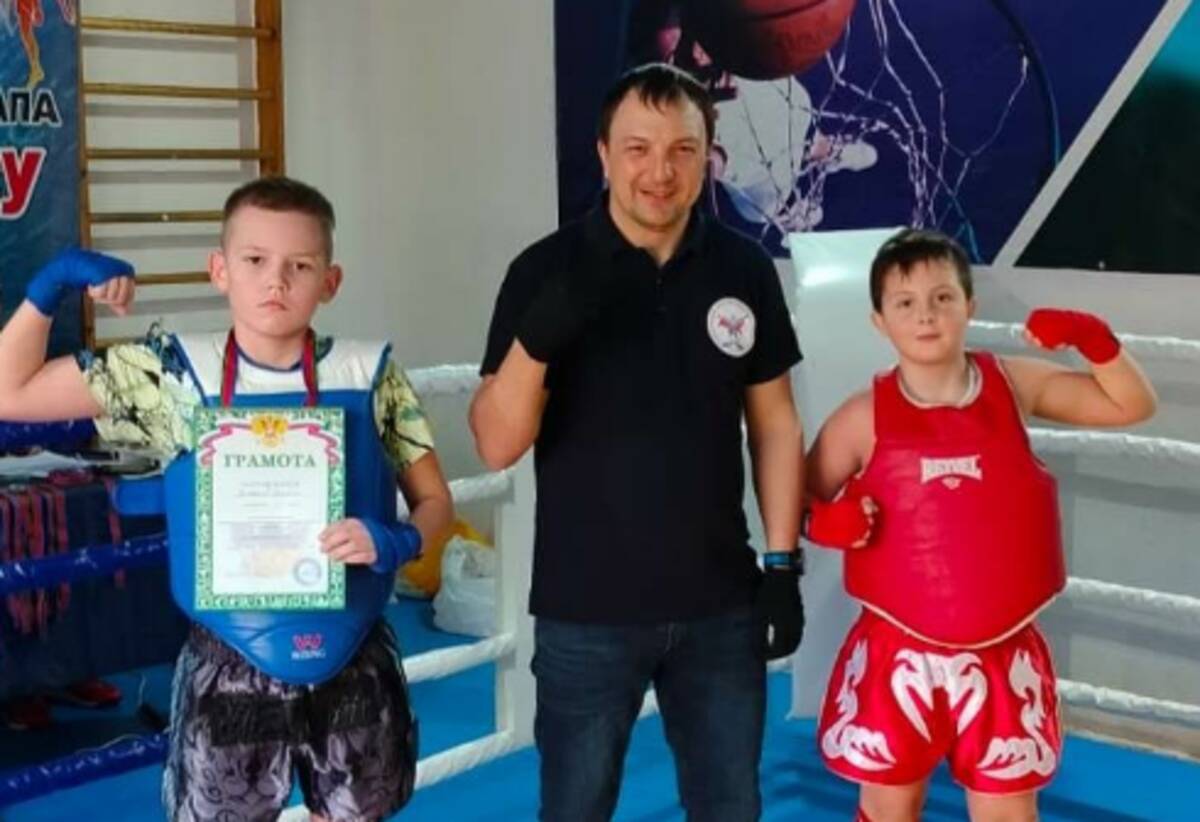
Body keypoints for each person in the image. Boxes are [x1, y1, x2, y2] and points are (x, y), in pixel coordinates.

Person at [471, 62, 866, 822]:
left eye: (682, 150)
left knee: (729, 808)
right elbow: (495, 445)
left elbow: (775, 423)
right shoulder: (544, 269)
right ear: (603, 154)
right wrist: (539, 338)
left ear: (707, 155)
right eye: (638, 149)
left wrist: (782, 563)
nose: (660, 172)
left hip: (720, 604)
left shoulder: (741, 267)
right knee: (575, 810)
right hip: (586, 609)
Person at [0, 176, 453, 822]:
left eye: (300, 265)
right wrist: (52, 284)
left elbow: (435, 502)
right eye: (256, 260)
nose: (277, 281)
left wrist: (399, 540)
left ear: (330, 281)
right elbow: (9, 392)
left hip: (353, 651)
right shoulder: (172, 374)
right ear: (220, 270)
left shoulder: (371, 373)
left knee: (355, 815)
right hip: (230, 654)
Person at [805, 228, 1157, 822]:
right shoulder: (863, 416)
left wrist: (1095, 343)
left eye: (942, 297)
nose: (926, 315)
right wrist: (823, 522)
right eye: (906, 302)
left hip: (1002, 651)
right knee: (889, 808)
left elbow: (1131, 405)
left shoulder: (1014, 386)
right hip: (897, 651)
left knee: (1008, 814)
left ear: (969, 305)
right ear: (879, 321)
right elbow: (798, 496)